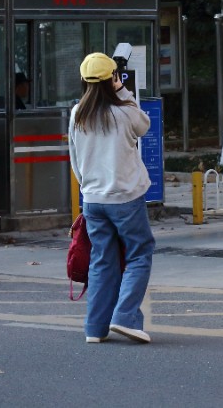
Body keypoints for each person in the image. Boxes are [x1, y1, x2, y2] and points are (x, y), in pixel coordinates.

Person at [67, 52, 155, 344]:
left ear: (84, 80)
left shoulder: (77, 112)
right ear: (112, 78)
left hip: (92, 198)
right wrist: (124, 91)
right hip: (125, 197)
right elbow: (144, 125)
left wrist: (89, 188)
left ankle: (95, 328)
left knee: (102, 260)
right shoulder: (124, 111)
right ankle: (125, 317)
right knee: (139, 253)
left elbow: (75, 160)